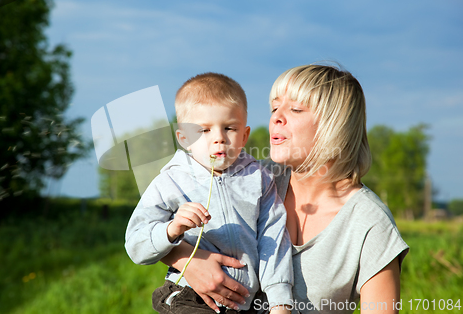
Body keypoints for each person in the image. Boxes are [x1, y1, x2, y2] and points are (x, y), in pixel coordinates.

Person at [161, 64, 410, 314]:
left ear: (336, 125)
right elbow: (151, 227)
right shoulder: (252, 177)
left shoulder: (370, 222)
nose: (276, 117)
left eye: (296, 109)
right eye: (274, 107)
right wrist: (187, 261)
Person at [125, 73, 294, 314]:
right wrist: (172, 229)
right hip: (191, 297)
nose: (219, 139)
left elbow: (273, 239)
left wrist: (279, 302)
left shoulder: (258, 179)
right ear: (184, 138)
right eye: (204, 130)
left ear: (244, 136)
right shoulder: (171, 181)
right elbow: (136, 244)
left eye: (229, 128)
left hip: (250, 301)